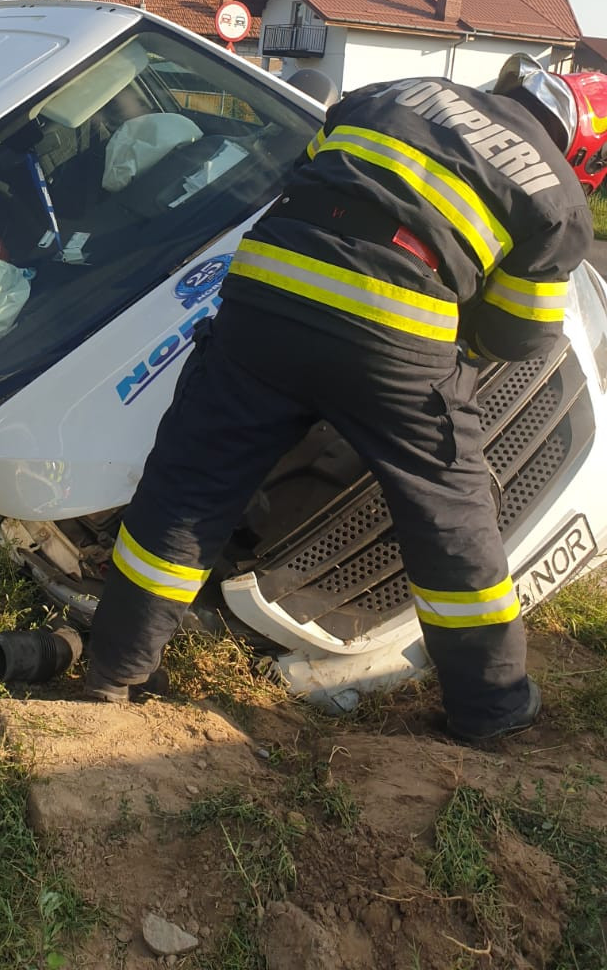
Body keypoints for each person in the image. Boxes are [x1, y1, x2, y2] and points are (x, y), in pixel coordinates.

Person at [85, 55, 607, 744]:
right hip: (395, 330)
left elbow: (309, 175)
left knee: (190, 487)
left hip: (266, 296)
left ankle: (115, 670)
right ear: (584, 154)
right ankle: (491, 706)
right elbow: (519, 336)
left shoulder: (400, 92)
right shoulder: (557, 196)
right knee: (448, 519)